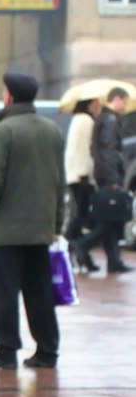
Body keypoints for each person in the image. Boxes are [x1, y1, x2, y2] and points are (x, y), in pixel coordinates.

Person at [0, 72, 65, 371]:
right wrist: (56, 224)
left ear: (9, 95)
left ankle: (6, 350)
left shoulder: (3, 131)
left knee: (4, 291)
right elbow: (59, 182)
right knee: (40, 290)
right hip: (40, 227)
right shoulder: (51, 129)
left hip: (7, 228)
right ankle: (47, 350)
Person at [72, 88, 132, 275]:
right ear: (117, 99)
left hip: (103, 176)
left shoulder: (103, 119)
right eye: (125, 101)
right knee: (108, 222)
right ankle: (82, 245)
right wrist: (113, 179)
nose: (125, 106)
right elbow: (108, 151)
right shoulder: (110, 120)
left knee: (111, 220)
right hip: (109, 178)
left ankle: (114, 261)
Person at [63, 99, 99, 264]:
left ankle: (78, 252)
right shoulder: (85, 120)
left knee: (81, 214)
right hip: (82, 175)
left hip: (75, 173)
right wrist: (85, 173)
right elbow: (84, 148)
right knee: (83, 215)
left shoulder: (77, 119)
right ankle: (73, 245)